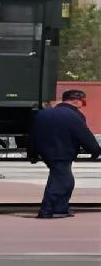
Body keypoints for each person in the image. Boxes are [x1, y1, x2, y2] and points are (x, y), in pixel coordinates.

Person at [28, 88, 99, 219]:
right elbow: (84, 135)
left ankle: (60, 209)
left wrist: (32, 153)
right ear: (77, 100)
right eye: (83, 102)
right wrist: (95, 151)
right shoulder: (74, 115)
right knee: (63, 181)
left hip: (46, 152)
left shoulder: (43, 114)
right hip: (62, 153)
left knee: (61, 178)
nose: (83, 105)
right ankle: (46, 210)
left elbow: (33, 134)